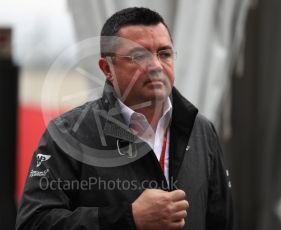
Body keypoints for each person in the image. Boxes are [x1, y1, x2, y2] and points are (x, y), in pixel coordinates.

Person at [16, 7, 233, 230]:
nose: (156, 66)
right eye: (139, 56)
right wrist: (129, 218)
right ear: (107, 68)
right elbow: (33, 223)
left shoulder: (202, 130)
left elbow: (221, 220)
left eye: (165, 54)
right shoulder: (67, 134)